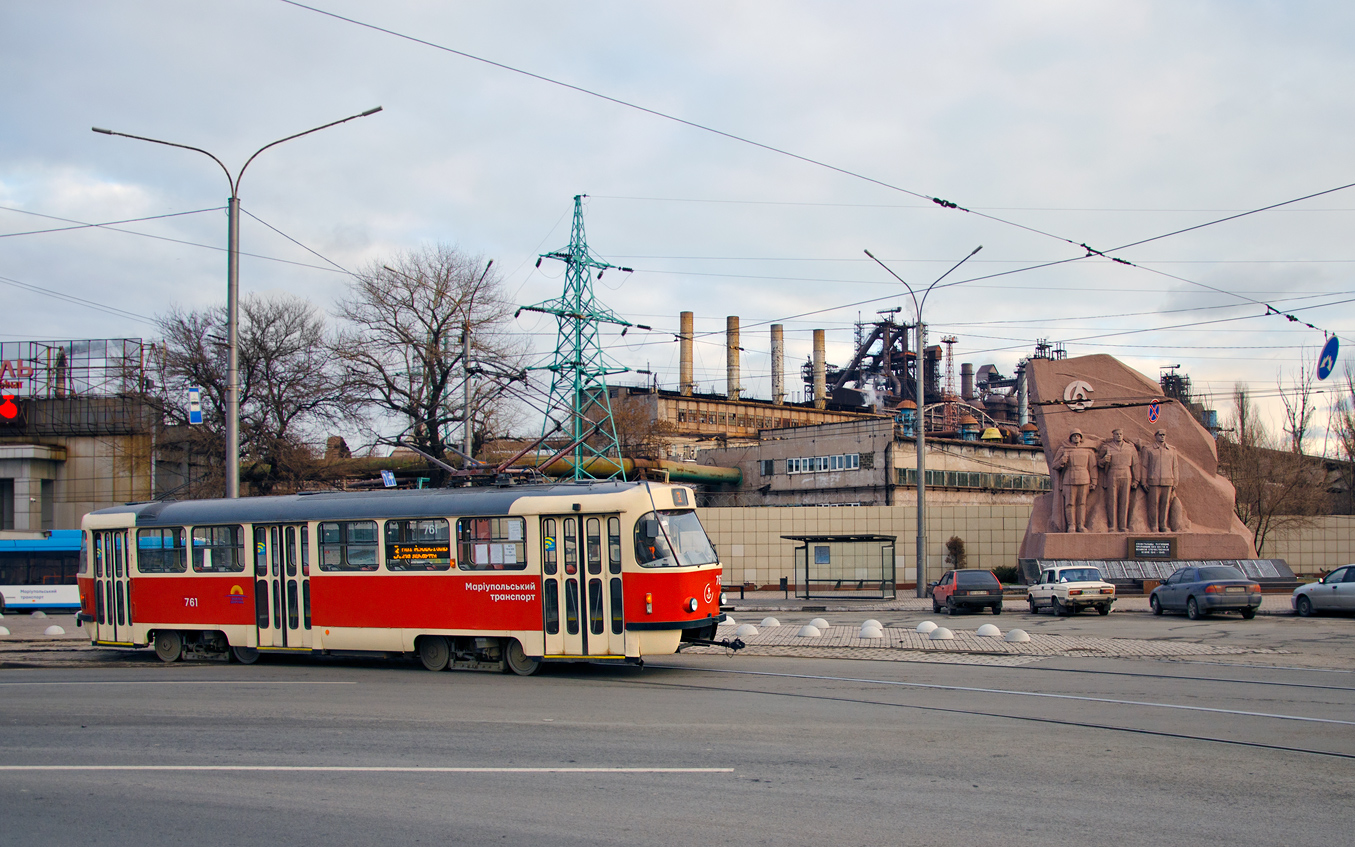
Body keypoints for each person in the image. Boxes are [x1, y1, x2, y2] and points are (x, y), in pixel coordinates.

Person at [1052, 429, 1098, 533]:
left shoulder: (1088, 451)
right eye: (1074, 436)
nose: (1076, 437)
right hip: (1069, 479)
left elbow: (1093, 467)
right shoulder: (1064, 449)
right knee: (1070, 503)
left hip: (1084, 478)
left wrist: (1094, 481)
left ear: (1081, 438)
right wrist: (1061, 462)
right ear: (1070, 438)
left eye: (1078, 435)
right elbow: (1054, 465)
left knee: (1082, 503)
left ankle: (1081, 525)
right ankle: (1071, 525)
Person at [1098, 428, 1138, 532]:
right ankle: (1112, 525)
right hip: (1113, 473)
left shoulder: (1130, 447)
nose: (1119, 436)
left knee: (1124, 501)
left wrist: (1136, 480)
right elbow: (1098, 462)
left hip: (1126, 473)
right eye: (1116, 434)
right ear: (1113, 435)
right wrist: (1104, 460)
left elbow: (1135, 465)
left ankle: (1123, 525)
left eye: (1120, 434)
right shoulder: (1107, 447)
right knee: (1112, 500)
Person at [1139, 428, 1179, 532]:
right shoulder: (1149, 449)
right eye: (1160, 435)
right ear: (1156, 436)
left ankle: (1163, 524)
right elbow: (1144, 466)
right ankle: (1153, 525)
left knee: (1165, 504)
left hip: (1168, 480)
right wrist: (1143, 481)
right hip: (1154, 481)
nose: (1162, 437)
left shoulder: (1172, 450)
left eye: (1164, 435)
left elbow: (1175, 467)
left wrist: (1176, 481)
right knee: (1153, 504)